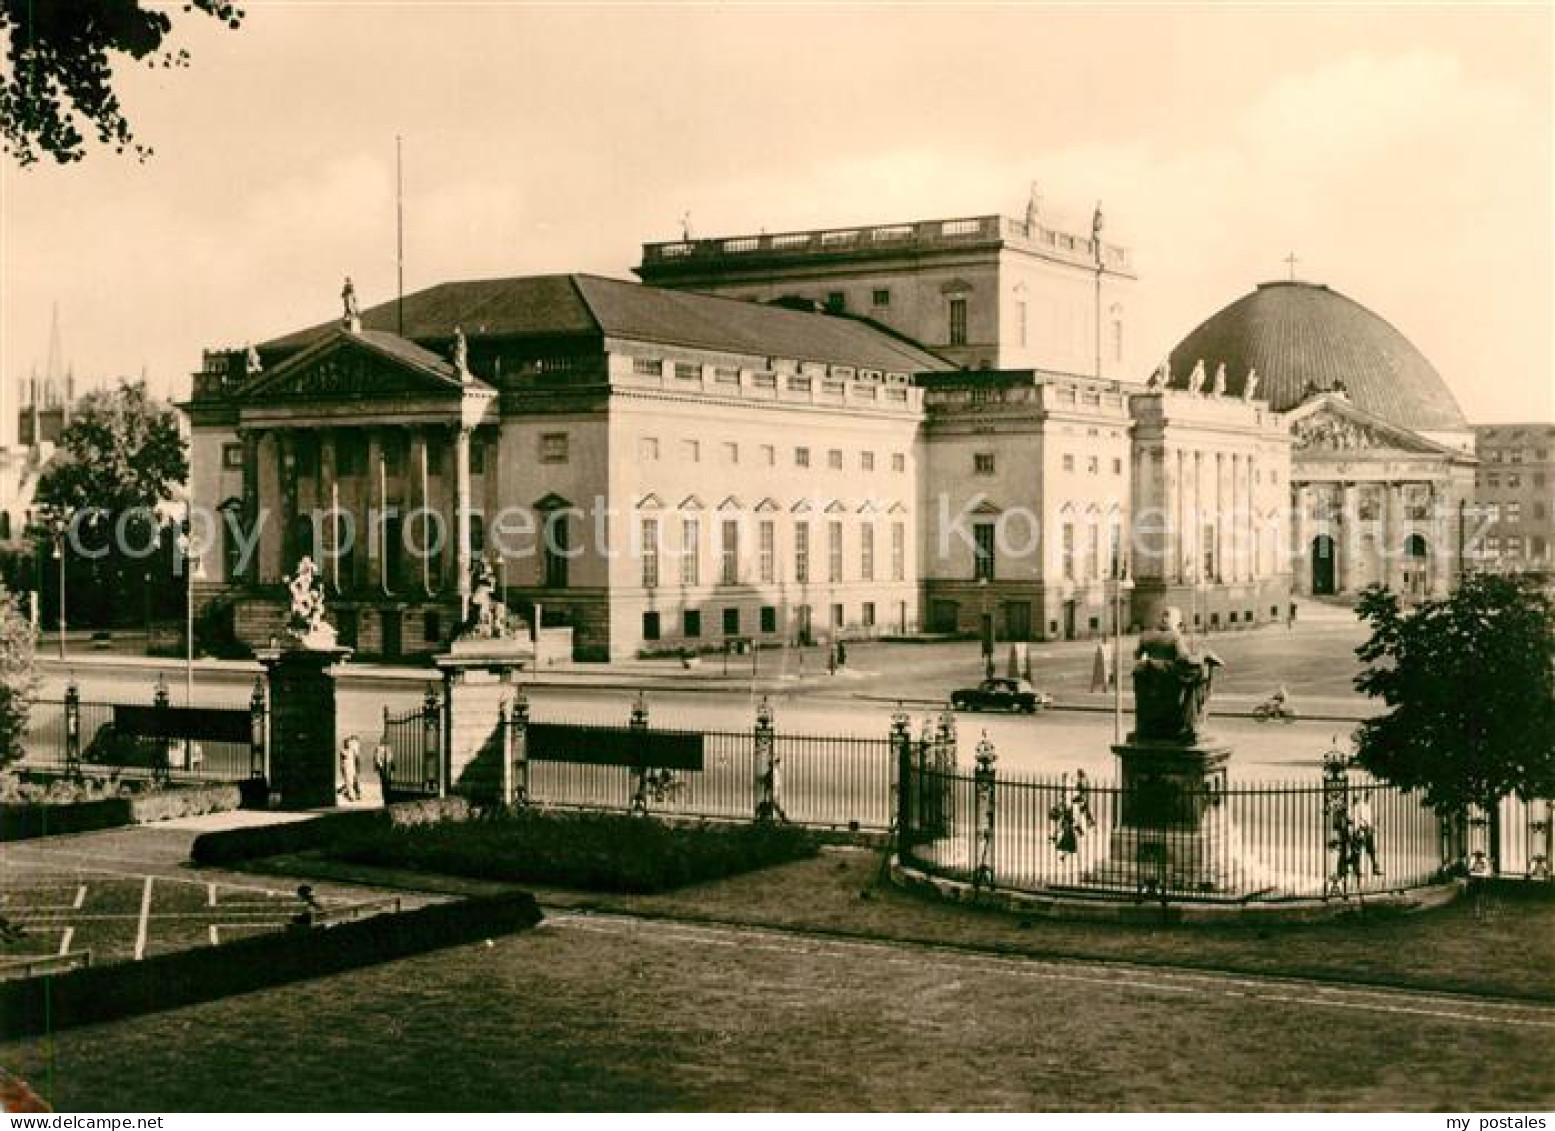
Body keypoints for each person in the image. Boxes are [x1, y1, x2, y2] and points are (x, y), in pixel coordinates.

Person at [1349, 793, 1382, 875]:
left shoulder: (1367, 807)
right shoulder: (1360, 807)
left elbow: (1368, 819)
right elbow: (1359, 819)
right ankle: (1356, 869)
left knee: (1371, 850)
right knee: (1358, 851)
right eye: (1369, 797)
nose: (1370, 799)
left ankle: (1374, 868)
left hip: (1367, 831)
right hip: (1360, 831)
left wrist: (1372, 826)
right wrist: (1363, 827)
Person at [338, 735, 362, 802]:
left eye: (348, 743)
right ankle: (351, 796)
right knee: (349, 782)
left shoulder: (352, 751)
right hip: (346, 768)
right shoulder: (343, 751)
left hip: (352, 767)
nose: (347, 744)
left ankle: (350, 793)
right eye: (346, 743)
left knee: (352, 781)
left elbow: (356, 759)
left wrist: (357, 767)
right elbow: (342, 760)